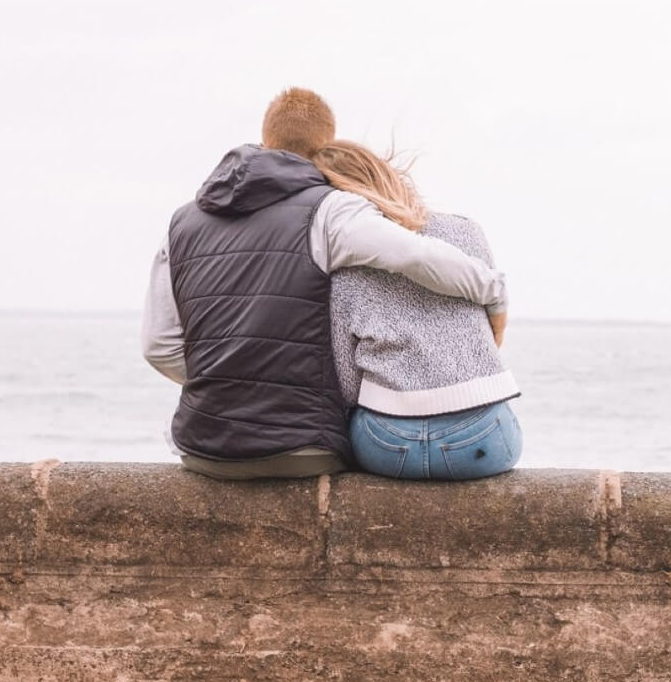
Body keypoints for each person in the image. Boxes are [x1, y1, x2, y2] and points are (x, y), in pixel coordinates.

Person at [142, 88, 508, 479]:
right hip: (303, 449)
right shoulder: (330, 210)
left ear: (265, 140)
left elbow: (157, 347)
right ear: (326, 146)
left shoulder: (180, 222)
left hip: (203, 447)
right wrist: (493, 290)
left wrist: (226, 379)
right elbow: (416, 256)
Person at [312, 140, 523, 480]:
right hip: (481, 439)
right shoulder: (466, 230)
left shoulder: (343, 259)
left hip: (386, 443)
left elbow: (347, 384)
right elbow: (486, 338)